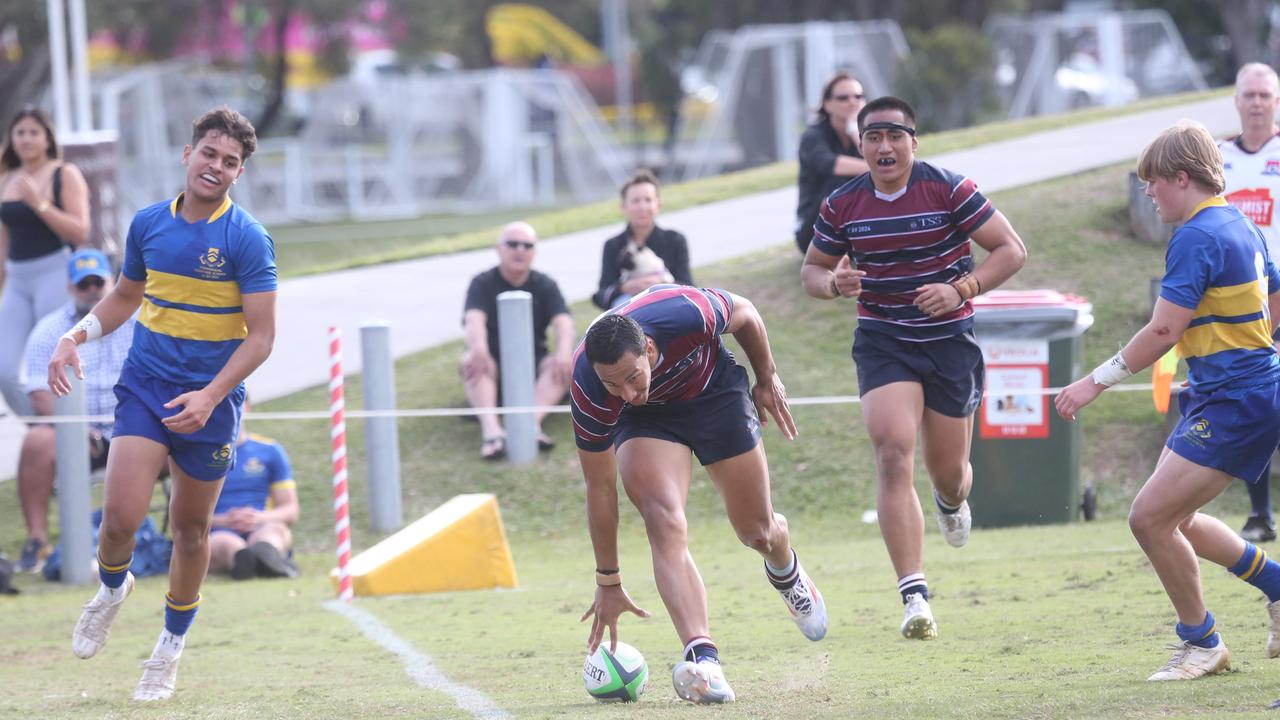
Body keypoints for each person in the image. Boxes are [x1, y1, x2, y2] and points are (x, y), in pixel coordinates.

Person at [48, 106, 276, 702]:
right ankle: (112, 589)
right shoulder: (149, 223)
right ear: (187, 153)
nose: (216, 167)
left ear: (239, 173)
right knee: (120, 518)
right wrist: (74, 338)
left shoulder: (247, 238)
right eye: (209, 154)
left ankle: (169, 647)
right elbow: (125, 296)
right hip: (146, 385)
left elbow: (261, 338)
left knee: (190, 529)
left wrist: (210, 395)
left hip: (211, 402)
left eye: (230, 162)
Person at [1056, 120, 1280, 681]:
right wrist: (1239, 351)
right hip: (1231, 392)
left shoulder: (1198, 235)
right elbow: (1274, 295)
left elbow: (1163, 330)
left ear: (1182, 178)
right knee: (1177, 518)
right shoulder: (1242, 224)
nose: (1149, 193)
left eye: (1153, 182)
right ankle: (1275, 587)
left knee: (1150, 519)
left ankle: (1202, 642)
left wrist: (1093, 382)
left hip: (1235, 400)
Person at [800, 96, 1027, 641]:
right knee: (892, 452)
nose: (885, 146)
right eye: (873, 137)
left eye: (894, 136)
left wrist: (960, 289)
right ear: (860, 145)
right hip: (884, 342)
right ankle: (914, 595)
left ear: (913, 142)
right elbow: (813, 269)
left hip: (950, 342)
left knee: (948, 473)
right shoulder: (842, 204)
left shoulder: (949, 188)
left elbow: (1011, 250)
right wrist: (834, 284)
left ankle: (951, 502)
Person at [574, 285, 826, 705]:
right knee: (662, 518)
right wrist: (608, 581)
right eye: (612, 384)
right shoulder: (590, 388)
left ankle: (786, 571)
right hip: (648, 423)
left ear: (650, 349)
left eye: (632, 377)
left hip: (713, 395)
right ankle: (703, 659)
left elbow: (745, 313)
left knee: (758, 532)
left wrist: (767, 378)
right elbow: (600, 490)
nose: (625, 393)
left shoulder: (684, 312)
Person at [16, 248, 133, 572]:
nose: (93, 290)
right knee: (37, 441)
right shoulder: (50, 329)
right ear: (70, 287)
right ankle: (38, 542)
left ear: (114, 282)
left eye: (99, 281)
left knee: (182, 434)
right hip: (79, 436)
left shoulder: (140, 320)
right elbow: (39, 394)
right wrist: (76, 430)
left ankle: (187, 539)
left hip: (135, 430)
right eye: (84, 284)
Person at [1218, 62, 1280, 543]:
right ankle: (1260, 514)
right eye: (1250, 94)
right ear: (1236, 101)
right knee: (1252, 404)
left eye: (1265, 94)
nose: (1257, 102)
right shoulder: (1217, 160)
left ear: (1276, 101)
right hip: (1239, 304)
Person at [0, 106, 91, 418]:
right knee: (5, 371)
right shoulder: (6, 177)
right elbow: (3, 240)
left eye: (33, 132)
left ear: (47, 138)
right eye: (20, 132)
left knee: (52, 365)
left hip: (53, 273)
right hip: (17, 280)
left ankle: (76, 443)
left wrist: (38, 204)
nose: (26, 139)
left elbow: (80, 230)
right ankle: (48, 433)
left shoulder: (63, 173)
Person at [462, 221, 574, 459]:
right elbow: (473, 319)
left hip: (533, 364)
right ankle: (492, 433)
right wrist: (478, 348)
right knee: (473, 361)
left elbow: (563, 322)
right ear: (499, 249)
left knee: (562, 365)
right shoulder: (482, 283)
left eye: (527, 245)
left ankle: (528, 424)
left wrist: (565, 353)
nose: (520, 250)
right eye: (513, 244)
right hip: (492, 363)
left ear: (534, 251)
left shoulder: (545, 284)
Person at [208, 397, 298, 580]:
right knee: (226, 544)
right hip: (217, 531)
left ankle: (266, 556)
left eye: (233, 404)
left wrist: (257, 518)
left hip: (262, 525)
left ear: (246, 407)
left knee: (273, 532)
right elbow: (185, 517)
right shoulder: (201, 455)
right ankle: (244, 561)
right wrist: (226, 521)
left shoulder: (270, 451)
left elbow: (291, 510)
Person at [592, 169, 693, 309]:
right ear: (623, 207)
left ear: (658, 205)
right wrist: (624, 288)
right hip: (627, 317)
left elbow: (690, 288)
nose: (642, 207)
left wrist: (660, 285)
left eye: (648, 200)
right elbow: (601, 296)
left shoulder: (675, 240)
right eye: (635, 201)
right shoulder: (613, 245)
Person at [794, 72, 869, 254]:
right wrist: (882, 168)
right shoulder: (813, 136)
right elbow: (831, 165)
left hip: (854, 227)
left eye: (858, 96)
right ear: (827, 104)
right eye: (844, 98)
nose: (853, 102)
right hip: (812, 231)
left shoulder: (868, 133)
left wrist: (854, 132)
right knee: (842, 184)